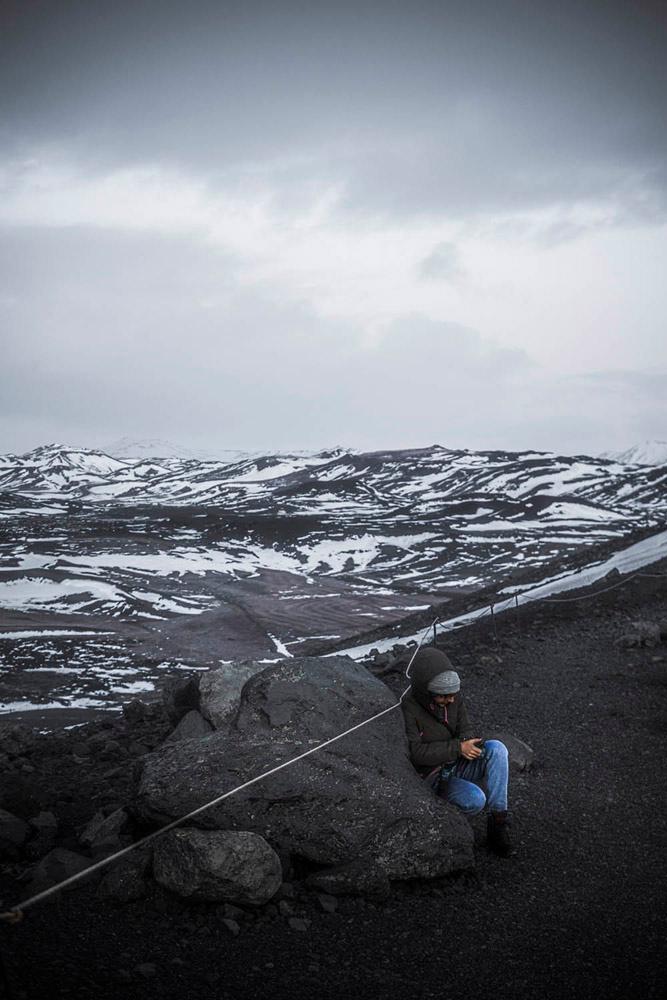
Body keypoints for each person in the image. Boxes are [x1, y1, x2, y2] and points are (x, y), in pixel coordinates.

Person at [401, 646, 513, 857]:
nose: (450, 700)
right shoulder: (409, 708)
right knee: (475, 799)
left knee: (497, 749)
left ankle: (498, 822)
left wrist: (469, 743)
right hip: (434, 776)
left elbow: (466, 729)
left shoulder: (454, 698)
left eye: (453, 695)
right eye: (443, 697)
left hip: (457, 763)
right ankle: (446, 827)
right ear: (426, 691)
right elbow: (415, 753)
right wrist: (457, 748)